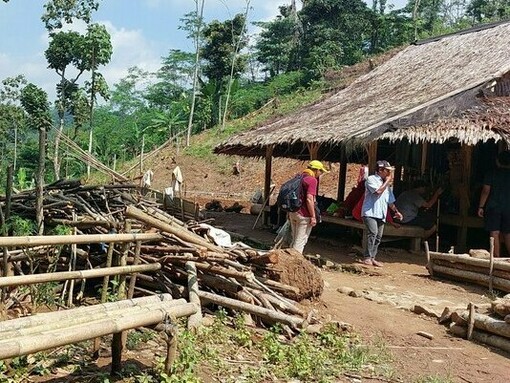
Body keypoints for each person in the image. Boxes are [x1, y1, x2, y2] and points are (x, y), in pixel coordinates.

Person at [361, 160, 403, 267]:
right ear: (380, 170)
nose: (389, 174)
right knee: (372, 233)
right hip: (370, 212)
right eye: (387, 171)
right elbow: (378, 192)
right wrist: (387, 182)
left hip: (381, 214)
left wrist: (397, 212)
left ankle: (373, 257)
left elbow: (390, 202)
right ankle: (367, 257)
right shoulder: (371, 179)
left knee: (378, 236)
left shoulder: (387, 186)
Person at [289, 160, 329, 253]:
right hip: (304, 215)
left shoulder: (299, 177)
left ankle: (289, 260)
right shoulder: (312, 180)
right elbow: (309, 199)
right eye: (321, 171)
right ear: (316, 170)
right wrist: (313, 216)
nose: (321, 174)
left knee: (294, 239)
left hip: (293, 212)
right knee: (300, 242)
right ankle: (295, 262)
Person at [477, 151, 510, 257]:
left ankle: (496, 257)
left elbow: (486, 191)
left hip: (494, 206)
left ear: (497, 161)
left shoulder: (492, 173)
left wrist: (481, 206)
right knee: (508, 233)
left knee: (494, 231)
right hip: (508, 207)